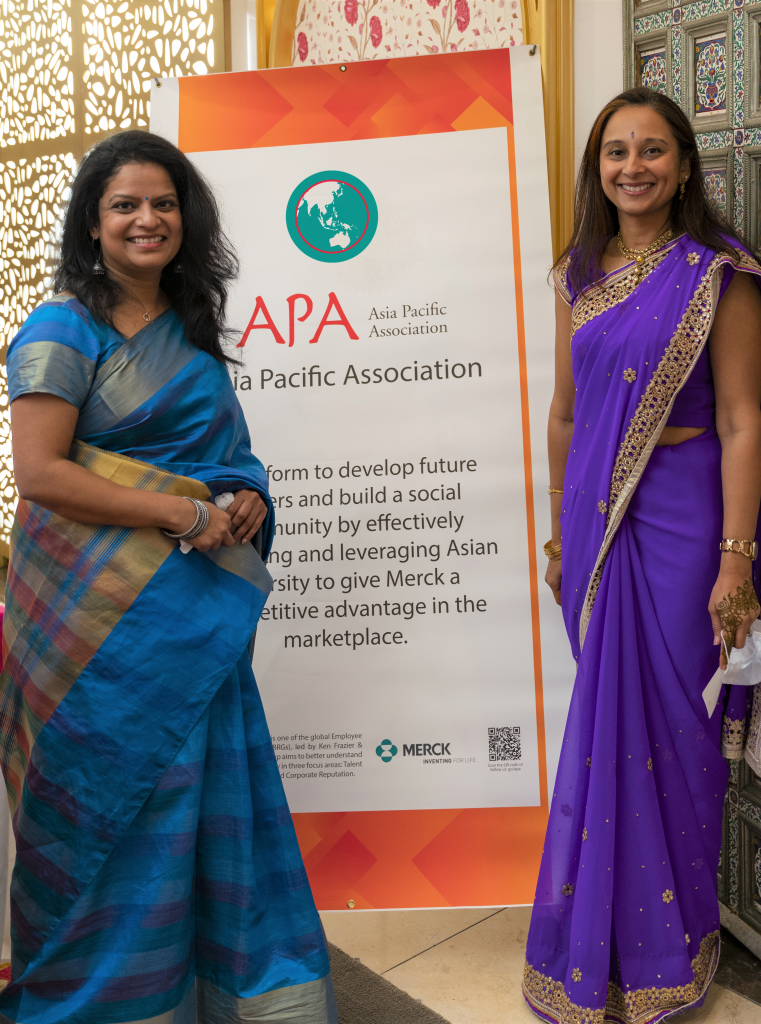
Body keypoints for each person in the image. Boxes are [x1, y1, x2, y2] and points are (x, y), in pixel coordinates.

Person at [0, 131, 336, 1023]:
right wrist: (183, 512)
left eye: (163, 203)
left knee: (209, 796)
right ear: (93, 223)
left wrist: (246, 493)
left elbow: (228, 456)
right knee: (112, 806)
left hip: (192, 622)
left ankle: (229, 994)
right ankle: (112, 998)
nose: (147, 220)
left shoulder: (189, 332)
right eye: (125, 205)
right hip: (94, 636)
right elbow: (41, 474)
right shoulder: (61, 327)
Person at [522, 87, 761, 1023]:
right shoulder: (578, 273)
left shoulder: (718, 276)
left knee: (673, 727)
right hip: (592, 523)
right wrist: (555, 529)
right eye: (614, 152)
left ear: (684, 166)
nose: (632, 167)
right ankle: (604, 955)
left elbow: (744, 420)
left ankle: (673, 945)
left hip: (684, 516)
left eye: (651, 150)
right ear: (598, 169)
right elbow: (565, 413)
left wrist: (736, 559)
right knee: (604, 727)